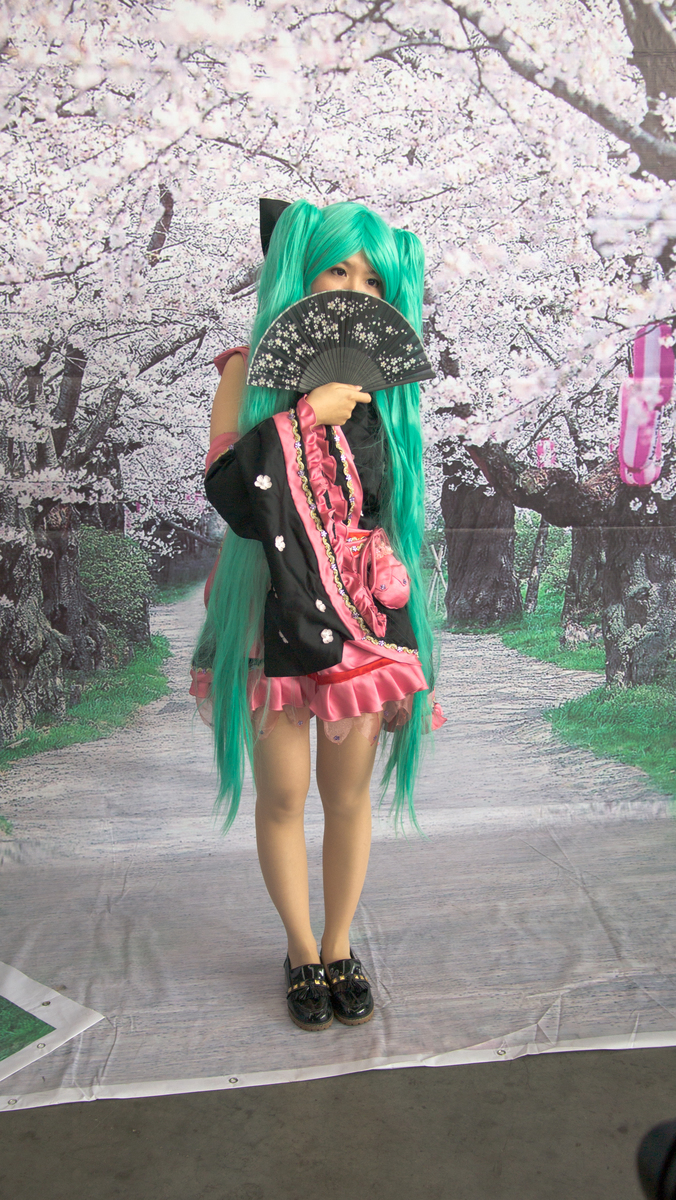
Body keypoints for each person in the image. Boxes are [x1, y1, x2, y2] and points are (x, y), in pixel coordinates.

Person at [191, 199, 445, 1032]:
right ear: (299, 273)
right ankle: (300, 950)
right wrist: (303, 418)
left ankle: (339, 944)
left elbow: (385, 514)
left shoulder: (385, 394)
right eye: (339, 270)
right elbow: (231, 496)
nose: (354, 292)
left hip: (358, 620)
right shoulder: (246, 372)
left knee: (348, 795)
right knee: (281, 794)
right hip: (266, 613)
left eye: (374, 281)